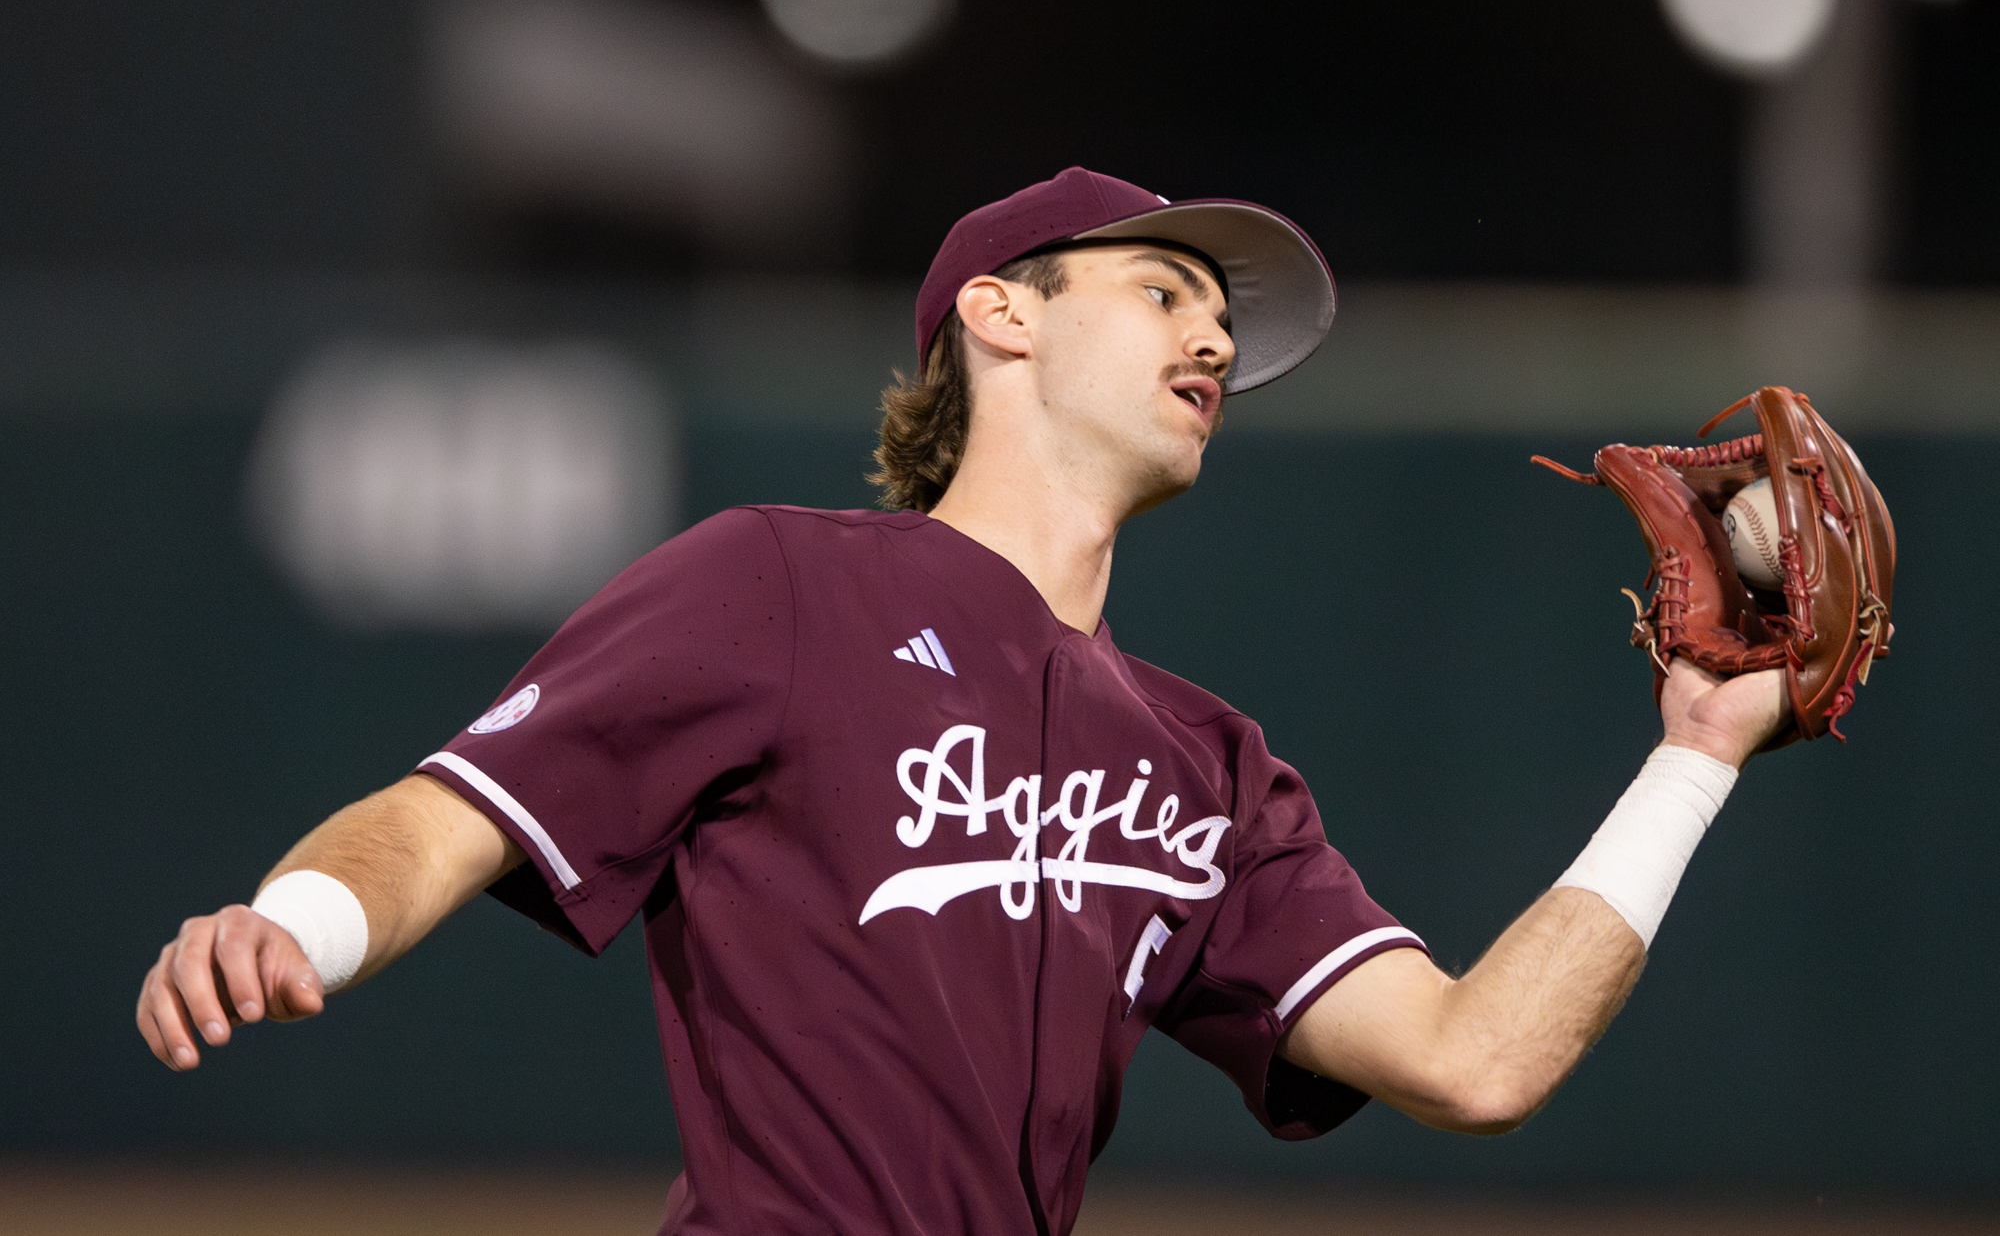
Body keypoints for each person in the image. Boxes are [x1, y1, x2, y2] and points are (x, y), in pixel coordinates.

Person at [137, 167, 1786, 1235]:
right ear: (1001, 312)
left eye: (1224, 322)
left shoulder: (1211, 769)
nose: (1213, 331)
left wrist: (1693, 760)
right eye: (1162, 290)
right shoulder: (781, 582)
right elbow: (453, 812)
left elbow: (1474, 1056)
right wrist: (303, 920)